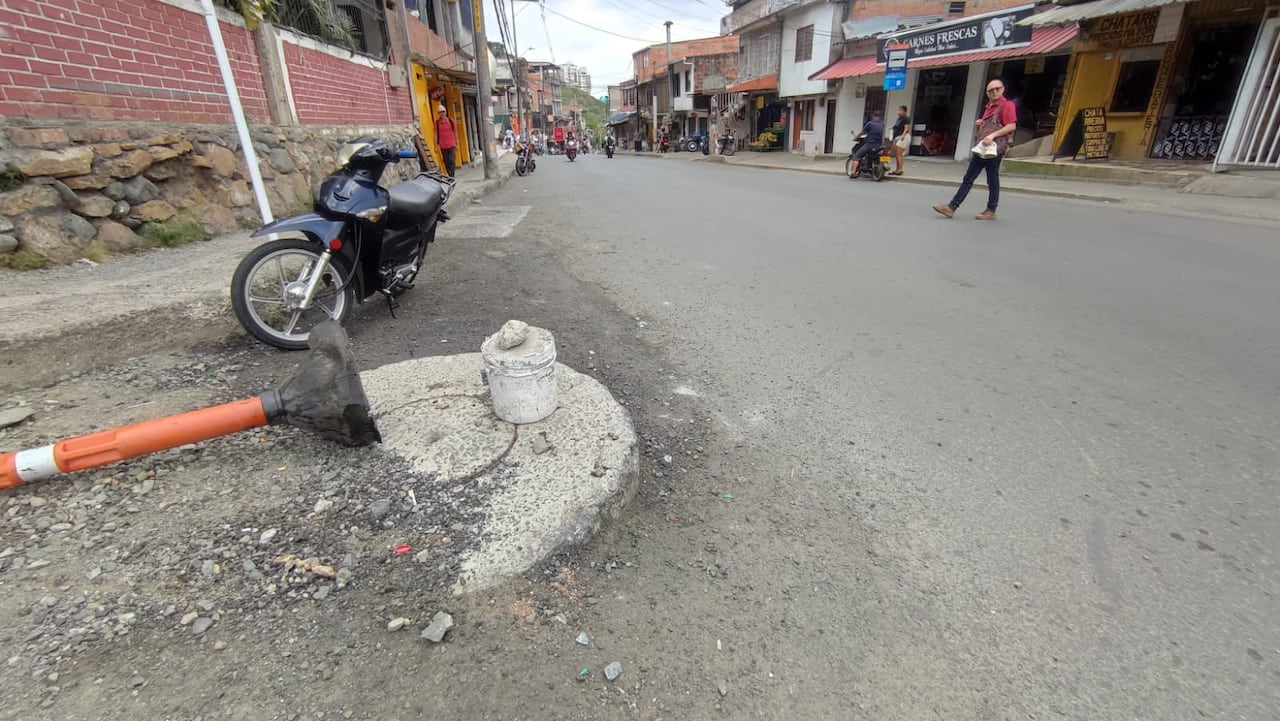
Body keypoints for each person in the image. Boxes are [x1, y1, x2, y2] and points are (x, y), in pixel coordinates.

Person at [933, 80, 1018, 220]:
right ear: (987, 93)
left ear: (1003, 89)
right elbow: (993, 125)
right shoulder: (989, 107)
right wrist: (981, 124)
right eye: (991, 90)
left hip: (994, 149)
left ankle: (991, 209)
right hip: (982, 148)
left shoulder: (1007, 105)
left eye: (997, 89)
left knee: (992, 179)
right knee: (969, 177)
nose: (995, 92)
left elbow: (1011, 126)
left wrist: (993, 135)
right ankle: (951, 207)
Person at [847, 110, 885, 178]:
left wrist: (856, 137)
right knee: (870, 154)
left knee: (857, 156)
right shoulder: (882, 124)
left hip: (870, 144)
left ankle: (853, 173)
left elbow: (862, 132)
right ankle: (869, 166)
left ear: (873, 116)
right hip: (879, 145)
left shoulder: (870, 123)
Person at [435, 106, 458, 178]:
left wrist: (457, 143)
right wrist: (435, 145)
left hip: (452, 144)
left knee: (452, 160)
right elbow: (435, 134)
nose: (442, 114)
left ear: (445, 112)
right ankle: (449, 173)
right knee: (446, 161)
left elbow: (455, 132)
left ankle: (452, 175)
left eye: (443, 112)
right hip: (443, 145)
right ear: (438, 114)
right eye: (440, 112)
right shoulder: (437, 123)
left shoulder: (451, 121)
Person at [890, 105, 910, 176]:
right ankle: (897, 169)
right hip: (897, 137)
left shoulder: (906, 119)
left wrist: (903, 135)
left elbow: (906, 128)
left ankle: (900, 170)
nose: (899, 112)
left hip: (903, 137)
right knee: (897, 154)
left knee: (899, 154)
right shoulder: (899, 119)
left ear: (904, 111)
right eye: (898, 110)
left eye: (900, 110)